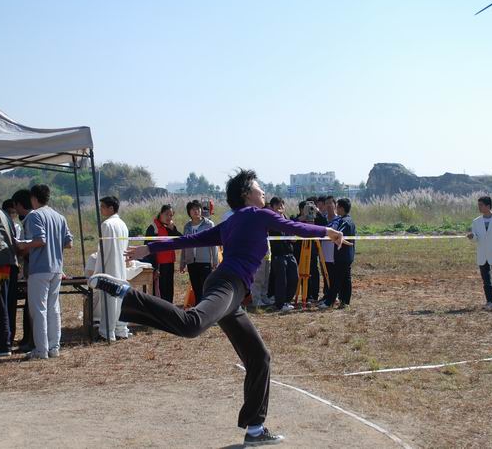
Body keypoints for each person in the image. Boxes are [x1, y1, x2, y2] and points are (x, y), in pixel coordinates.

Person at [89, 169, 350, 446]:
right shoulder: (258, 214)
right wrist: (328, 231)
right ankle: (126, 294)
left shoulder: (233, 221)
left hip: (230, 293)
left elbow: (192, 239)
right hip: (228, 285)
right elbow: (295, 228)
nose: (263, 192)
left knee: (259, 357)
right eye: (259, 189)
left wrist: (150, 249)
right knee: (191, 325)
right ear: (246, 194)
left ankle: (255, 429)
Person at [17, 185, 73, 360]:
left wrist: (23, 244)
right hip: (56, 268)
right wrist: (55, 245)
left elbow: (40, 240)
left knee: (39, 310)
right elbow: (69, 243)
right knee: (53, 308)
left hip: (40, 268)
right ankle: (54, 347)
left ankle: (41, 349)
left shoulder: (35, 215)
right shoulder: (59, 217)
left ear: (34, 198)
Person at [94, 196, 131, 341]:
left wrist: (98, 272)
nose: (101, 209)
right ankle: (120, 329)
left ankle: (107, 332)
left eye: (103, 207)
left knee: (108, 301)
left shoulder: (107, 225)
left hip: (109, 267)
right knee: (119, 299)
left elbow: (104, 251)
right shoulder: (123, 224)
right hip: (120, 267)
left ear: (111, 208)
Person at [467, 196, 492, 312]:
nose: (479, 207)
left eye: (481, 205)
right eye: (478, 205)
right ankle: (490, 302)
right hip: (482, 255)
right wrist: (472, 237)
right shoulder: (476, 221)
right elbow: (477, 238)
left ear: (488, 206)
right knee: (486, 280)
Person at [0, 193, 18, 357]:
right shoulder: (4, 214)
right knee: (6, 304)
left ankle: (2, 345)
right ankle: (6, 341)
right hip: (8, 264)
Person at [320, 197, 356, 309]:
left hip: (342, 255)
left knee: (336, 280)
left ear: (341, 208)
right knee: (346, 279)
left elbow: (338, 234)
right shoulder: (349, 220)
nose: (336, 209)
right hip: (347, 255)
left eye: (337, 207)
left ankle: (329, 302)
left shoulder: (345, 221)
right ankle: (345, 302)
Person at [180, 200, 218, 303]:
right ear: (189, 212)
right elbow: (184, 245)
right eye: (193, 209)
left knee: (206, 287)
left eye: (197, 208)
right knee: (196, 288)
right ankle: (198, 309)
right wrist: (182, 262)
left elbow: (214, 244)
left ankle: (207, 308)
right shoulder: (187, 226)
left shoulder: (209, 224)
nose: (196, 211)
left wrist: (215, 260)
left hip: (205, 261)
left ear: (201, 210)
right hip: (191, 262)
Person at [12, 189, 34, 351]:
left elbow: (31, 246)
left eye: (15, 207)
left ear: (19, 204)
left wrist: (19, 248)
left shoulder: (31, 219)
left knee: (32, 309)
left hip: (35, 270)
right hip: (36, 270)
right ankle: (29, 340)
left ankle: (30, 341)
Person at [144, 205, 181, 303]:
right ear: (160, 214)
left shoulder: (169, 227)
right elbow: (148, 249)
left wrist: (173, 229)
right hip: (159, 265)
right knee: (159, 292)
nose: (169, 217)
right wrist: (154, 268)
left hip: (170, 264)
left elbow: (181, 240)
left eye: (171, 215)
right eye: (166, 214)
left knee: (169, 290)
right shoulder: (153, 228)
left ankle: (169, 309)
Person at [267, 197, 298, 313]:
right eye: (277, 205)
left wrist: (293, 237)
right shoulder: (271, 220)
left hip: (289, 253)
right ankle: (280, 304)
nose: (280, 207)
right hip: (278, 254)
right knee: (281, 280)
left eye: (282, 205)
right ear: (272, 207)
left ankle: (287, 301)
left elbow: (293, 235)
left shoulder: (287, 219)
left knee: (294, 278)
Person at [1, 199, 21, 346]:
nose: (12, 215)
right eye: (9, 212)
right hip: (6, 266)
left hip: (7, 268)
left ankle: (8, 336)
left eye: (13, 212)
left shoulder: (16, 226)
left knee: (7, 302)